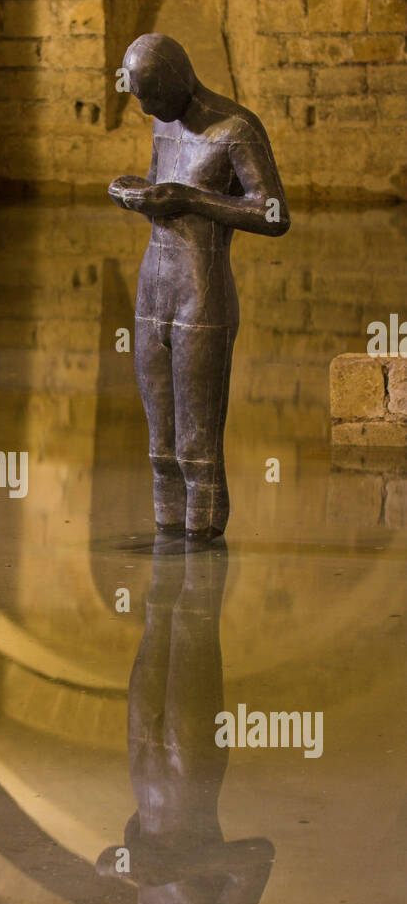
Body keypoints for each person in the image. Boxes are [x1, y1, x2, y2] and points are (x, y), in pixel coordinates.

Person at [109, 34, 290, 538]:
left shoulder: (236, 129)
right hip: (152, 292)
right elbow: (159, 186)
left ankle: (201, 579)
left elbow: (274, 215)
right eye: (140, 99)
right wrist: (137, 194)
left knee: (196, 449)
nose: (148, 109)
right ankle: (167, 562)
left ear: (177, 79)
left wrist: (190, 198)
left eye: (153, 97)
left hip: (201, 296)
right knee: (160, 450)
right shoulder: (162, 123)